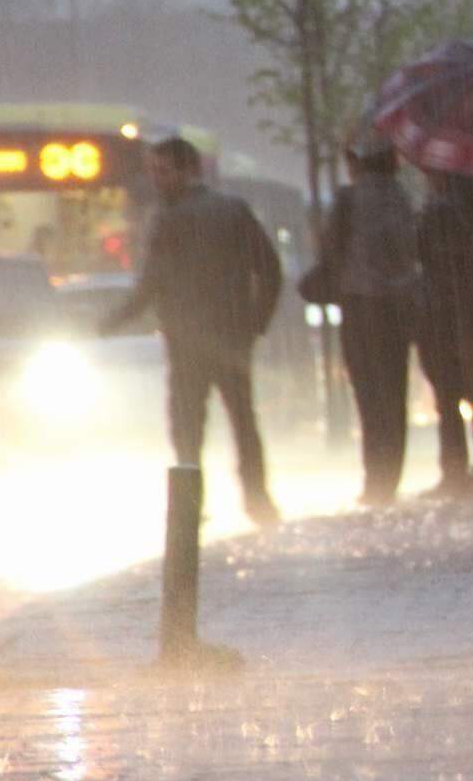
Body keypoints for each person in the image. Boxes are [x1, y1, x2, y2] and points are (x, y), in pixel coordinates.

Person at [102, 136, 283, 529]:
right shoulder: (233, 210)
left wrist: (109, 323)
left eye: (163, 171)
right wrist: (255, 323)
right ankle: (257, 499)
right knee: (243, 421)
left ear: (189, 170)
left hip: (186, 340)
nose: (156, 179)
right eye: (152, 171)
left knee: (187, 426)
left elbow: (150, 284)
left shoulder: (167, 219)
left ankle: (189, 506)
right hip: (231, 336)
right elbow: (269, 269)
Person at [327, 132, 420, 507]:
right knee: (394, 393)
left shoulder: (347, 199)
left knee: (368, 395)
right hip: (397, 306)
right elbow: (411, 249)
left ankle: (374, 479)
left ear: (357, 162)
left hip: (360, 305)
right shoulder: (402, 198)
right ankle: (390, 476)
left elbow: (331, 252)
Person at [415, 172, 473, 496]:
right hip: (466, 310)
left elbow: (426, 255)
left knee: (451, 394)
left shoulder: (440, 210)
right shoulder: (471, 208)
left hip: (445, 313)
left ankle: (458, 471)